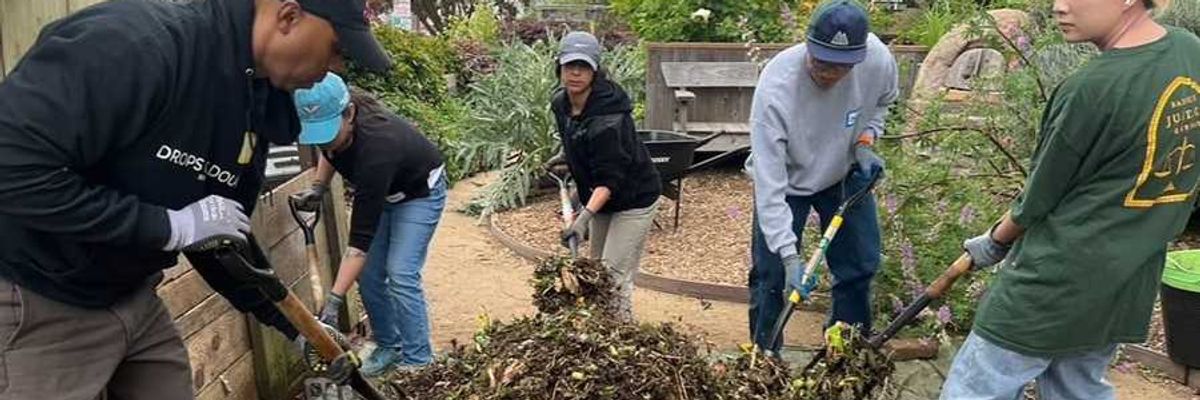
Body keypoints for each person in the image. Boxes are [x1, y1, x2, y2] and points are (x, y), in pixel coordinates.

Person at [0, 0, 391, 398]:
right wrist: (169, 226)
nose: (338, 67)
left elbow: (220, 233)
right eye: (336, 48)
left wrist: (298, 328)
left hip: (131, 293)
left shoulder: (254, 98)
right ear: (288, 16)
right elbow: (11, 169)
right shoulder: (135, 46)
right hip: (36, 293)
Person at [941, 0, 1199, 398]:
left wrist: (994, 241)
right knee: (1076, 388)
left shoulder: (1089, 89)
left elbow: (1037, 200)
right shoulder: (1189, 51)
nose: (1058, 6)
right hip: (1126, 279)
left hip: (1053, 282)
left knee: (976, 387)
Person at [746, 0, 898, 353]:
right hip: (787, 179)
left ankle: (844, 352)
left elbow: (881, 103)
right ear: (807, 44)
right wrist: (788, 255)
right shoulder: (777, 85)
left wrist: (865, 141)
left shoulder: (877, 59)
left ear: (859, 58)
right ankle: (765, 360)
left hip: (844, 172)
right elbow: (769, 184)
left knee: (860, 265)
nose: (828, 73)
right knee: (772, 277)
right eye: (821, 61)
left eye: (840, 67)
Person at [291, 73, 447, 376]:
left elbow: (357, 247)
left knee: (400, 271)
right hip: (385, 192)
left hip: (418, 193)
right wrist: (319, 186)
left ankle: (419, 360)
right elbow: (330, 151)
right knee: (370, 276)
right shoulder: (334, 130)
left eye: (327, 131)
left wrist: (333, 303)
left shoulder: (377, 149)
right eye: (315, 134)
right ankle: (390, 345)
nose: (323, 141)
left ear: (349, 114)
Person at [551, 31, 662, 320]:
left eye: (584, 66)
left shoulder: (609, 118)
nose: (575, 72)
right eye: (569, 65)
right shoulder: (560, 103)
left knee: (612, 278)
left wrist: (581, 221)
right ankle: (600, 335)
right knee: (594, 272)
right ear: (559, 67)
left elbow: (609, 180)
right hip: (600, 197)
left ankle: (623, 344)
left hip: (634, 197)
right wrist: (566, 157)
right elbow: (576, 135)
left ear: (595, 70)